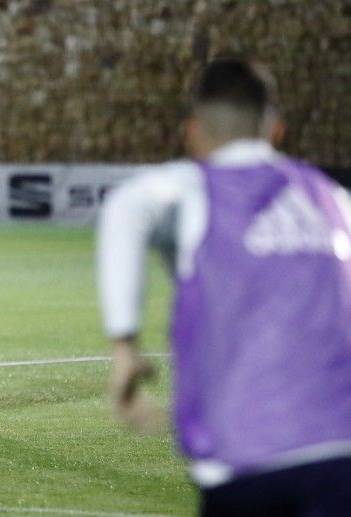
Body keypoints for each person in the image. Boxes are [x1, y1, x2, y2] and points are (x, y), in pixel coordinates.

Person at [97, 58, 351, 515]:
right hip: (341, 451)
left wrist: (124, 346)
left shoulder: (197, 187)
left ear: (192, 131)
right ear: (276, 130)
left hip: (242, 456)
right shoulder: (334, 200)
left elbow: (124, 209)